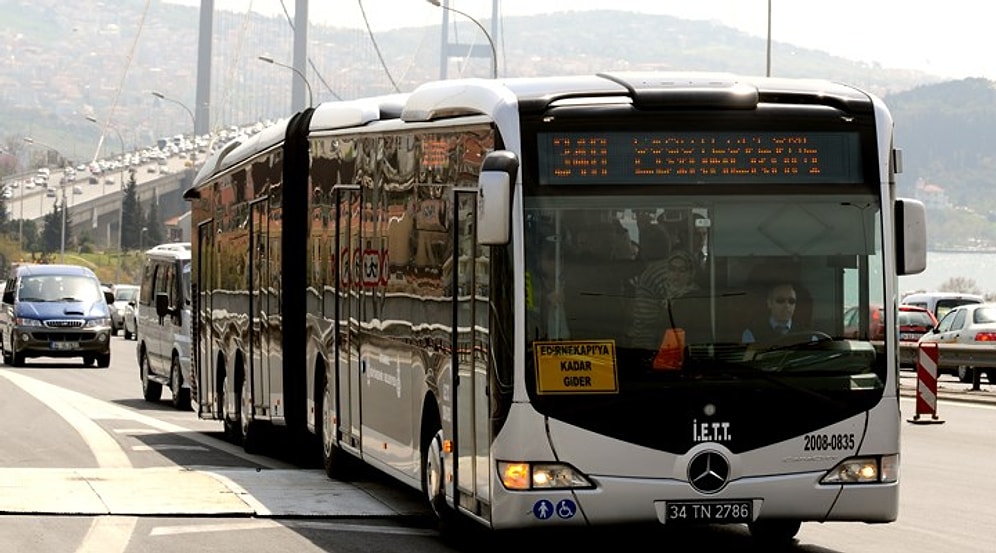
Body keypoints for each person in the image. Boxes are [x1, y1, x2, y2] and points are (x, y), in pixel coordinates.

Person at [628, 250, 701, 350]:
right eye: (672, 269)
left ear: (690, 274)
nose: (677, 274)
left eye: (682, 270)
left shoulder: (694, 298)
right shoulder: (663, 294)